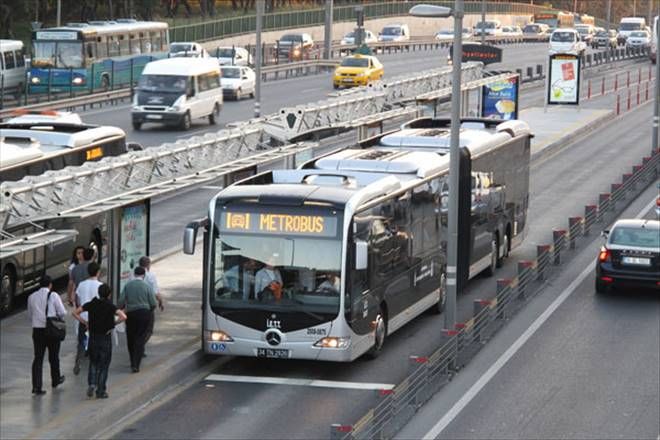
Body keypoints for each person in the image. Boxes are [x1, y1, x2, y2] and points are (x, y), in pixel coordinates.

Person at [72, 283, 126, 399]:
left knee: (93, 362)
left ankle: (92, 383)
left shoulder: (92, 304)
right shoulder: (110, 306)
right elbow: (123, 316)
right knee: (104, 365)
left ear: (99, 293)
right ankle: (100, 390)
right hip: (105, 338)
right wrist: (113, 324)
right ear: (109, 294)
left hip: (93, 337)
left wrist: (85, 322)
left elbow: (75, 312)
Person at [27, 275, 66, 395]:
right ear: (50, 285)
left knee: (38, 358)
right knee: (54, 356)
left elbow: (30, 315)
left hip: (37, 330)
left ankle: (36, 386)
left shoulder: (31, 297)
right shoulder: (53, 295)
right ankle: (55, 379)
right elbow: (62, 312)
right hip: (52, 330)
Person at [119, 266, 156, 373]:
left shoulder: (128, 285)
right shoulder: (147, 286)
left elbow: (121, 301)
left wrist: (120, 309)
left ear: (134, 274)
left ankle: (132, 361)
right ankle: (136, 364)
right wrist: (149, 311)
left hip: (131, 314)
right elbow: (153, 303)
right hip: (144, 314)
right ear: (143, 275)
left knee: (131, 337)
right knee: (140, 338)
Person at [73, 262, 102, 375]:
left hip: (83, 318)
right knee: (95, 343)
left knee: (81, 341)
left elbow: (77, 300)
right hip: (95, 319)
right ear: (98, 272)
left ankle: (78, 360)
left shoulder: (81, 285)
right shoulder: (100, 286)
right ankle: (93, 365)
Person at [137, 256, 164, 353]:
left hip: (134, 307)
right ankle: (140, 345)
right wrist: (160, 302)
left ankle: (139, 346)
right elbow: (155, 292)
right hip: (147, 307)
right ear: (148, 265)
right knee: (148, 329)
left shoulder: (133, 275)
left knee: (137, 329)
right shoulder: (150, 276)